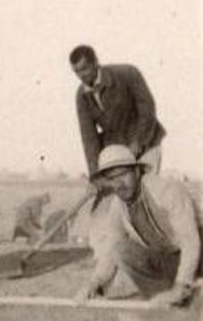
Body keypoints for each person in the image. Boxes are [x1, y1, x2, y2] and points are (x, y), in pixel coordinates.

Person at [76, 145, 200, 307]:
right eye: (112, 178)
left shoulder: (166, 190)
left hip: (198, 253)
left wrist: (181, 285)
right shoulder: (118, 206)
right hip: (170, 259)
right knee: (121, 251)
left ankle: (186, 291)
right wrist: (94, 283)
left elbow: (190, 241)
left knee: (186, 287)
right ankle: (175, 302)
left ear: (136, 171)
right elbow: (111, 250)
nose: (119, 183)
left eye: (123, 174)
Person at [70, 45, 165, 177]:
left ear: (96, 62)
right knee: (123, 193)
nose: (81, 76)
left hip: (147, 143)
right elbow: (89, 137)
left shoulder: (128, 73)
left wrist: (139, 141)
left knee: (147, 188)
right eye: (76, 71)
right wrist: (95, 175)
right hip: (119, 152)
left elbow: (147, 108)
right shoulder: (81, 96)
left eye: (84, 69)